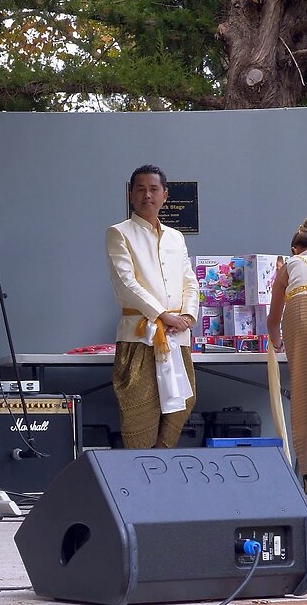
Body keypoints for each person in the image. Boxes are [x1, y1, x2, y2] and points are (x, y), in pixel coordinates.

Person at [105, 165, 199, 449]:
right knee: (138, 407)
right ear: (131, 195)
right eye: (141, 189)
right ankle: (139, 472)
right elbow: (125, 282)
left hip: (176, 336)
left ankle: (162, 470)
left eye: (154, 189)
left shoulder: (175, 236)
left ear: (165, 195)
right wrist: (162, 315)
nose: (148, 195)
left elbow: (189, 280)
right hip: (140, 335)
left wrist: (187, 316)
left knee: (181, 405)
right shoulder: (119, 233)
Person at [266, 217, 307, 494]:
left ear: (295, 249)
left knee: (306, 392)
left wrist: (275, 341)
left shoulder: (291, 265)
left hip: (302, 317)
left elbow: (273, 317)